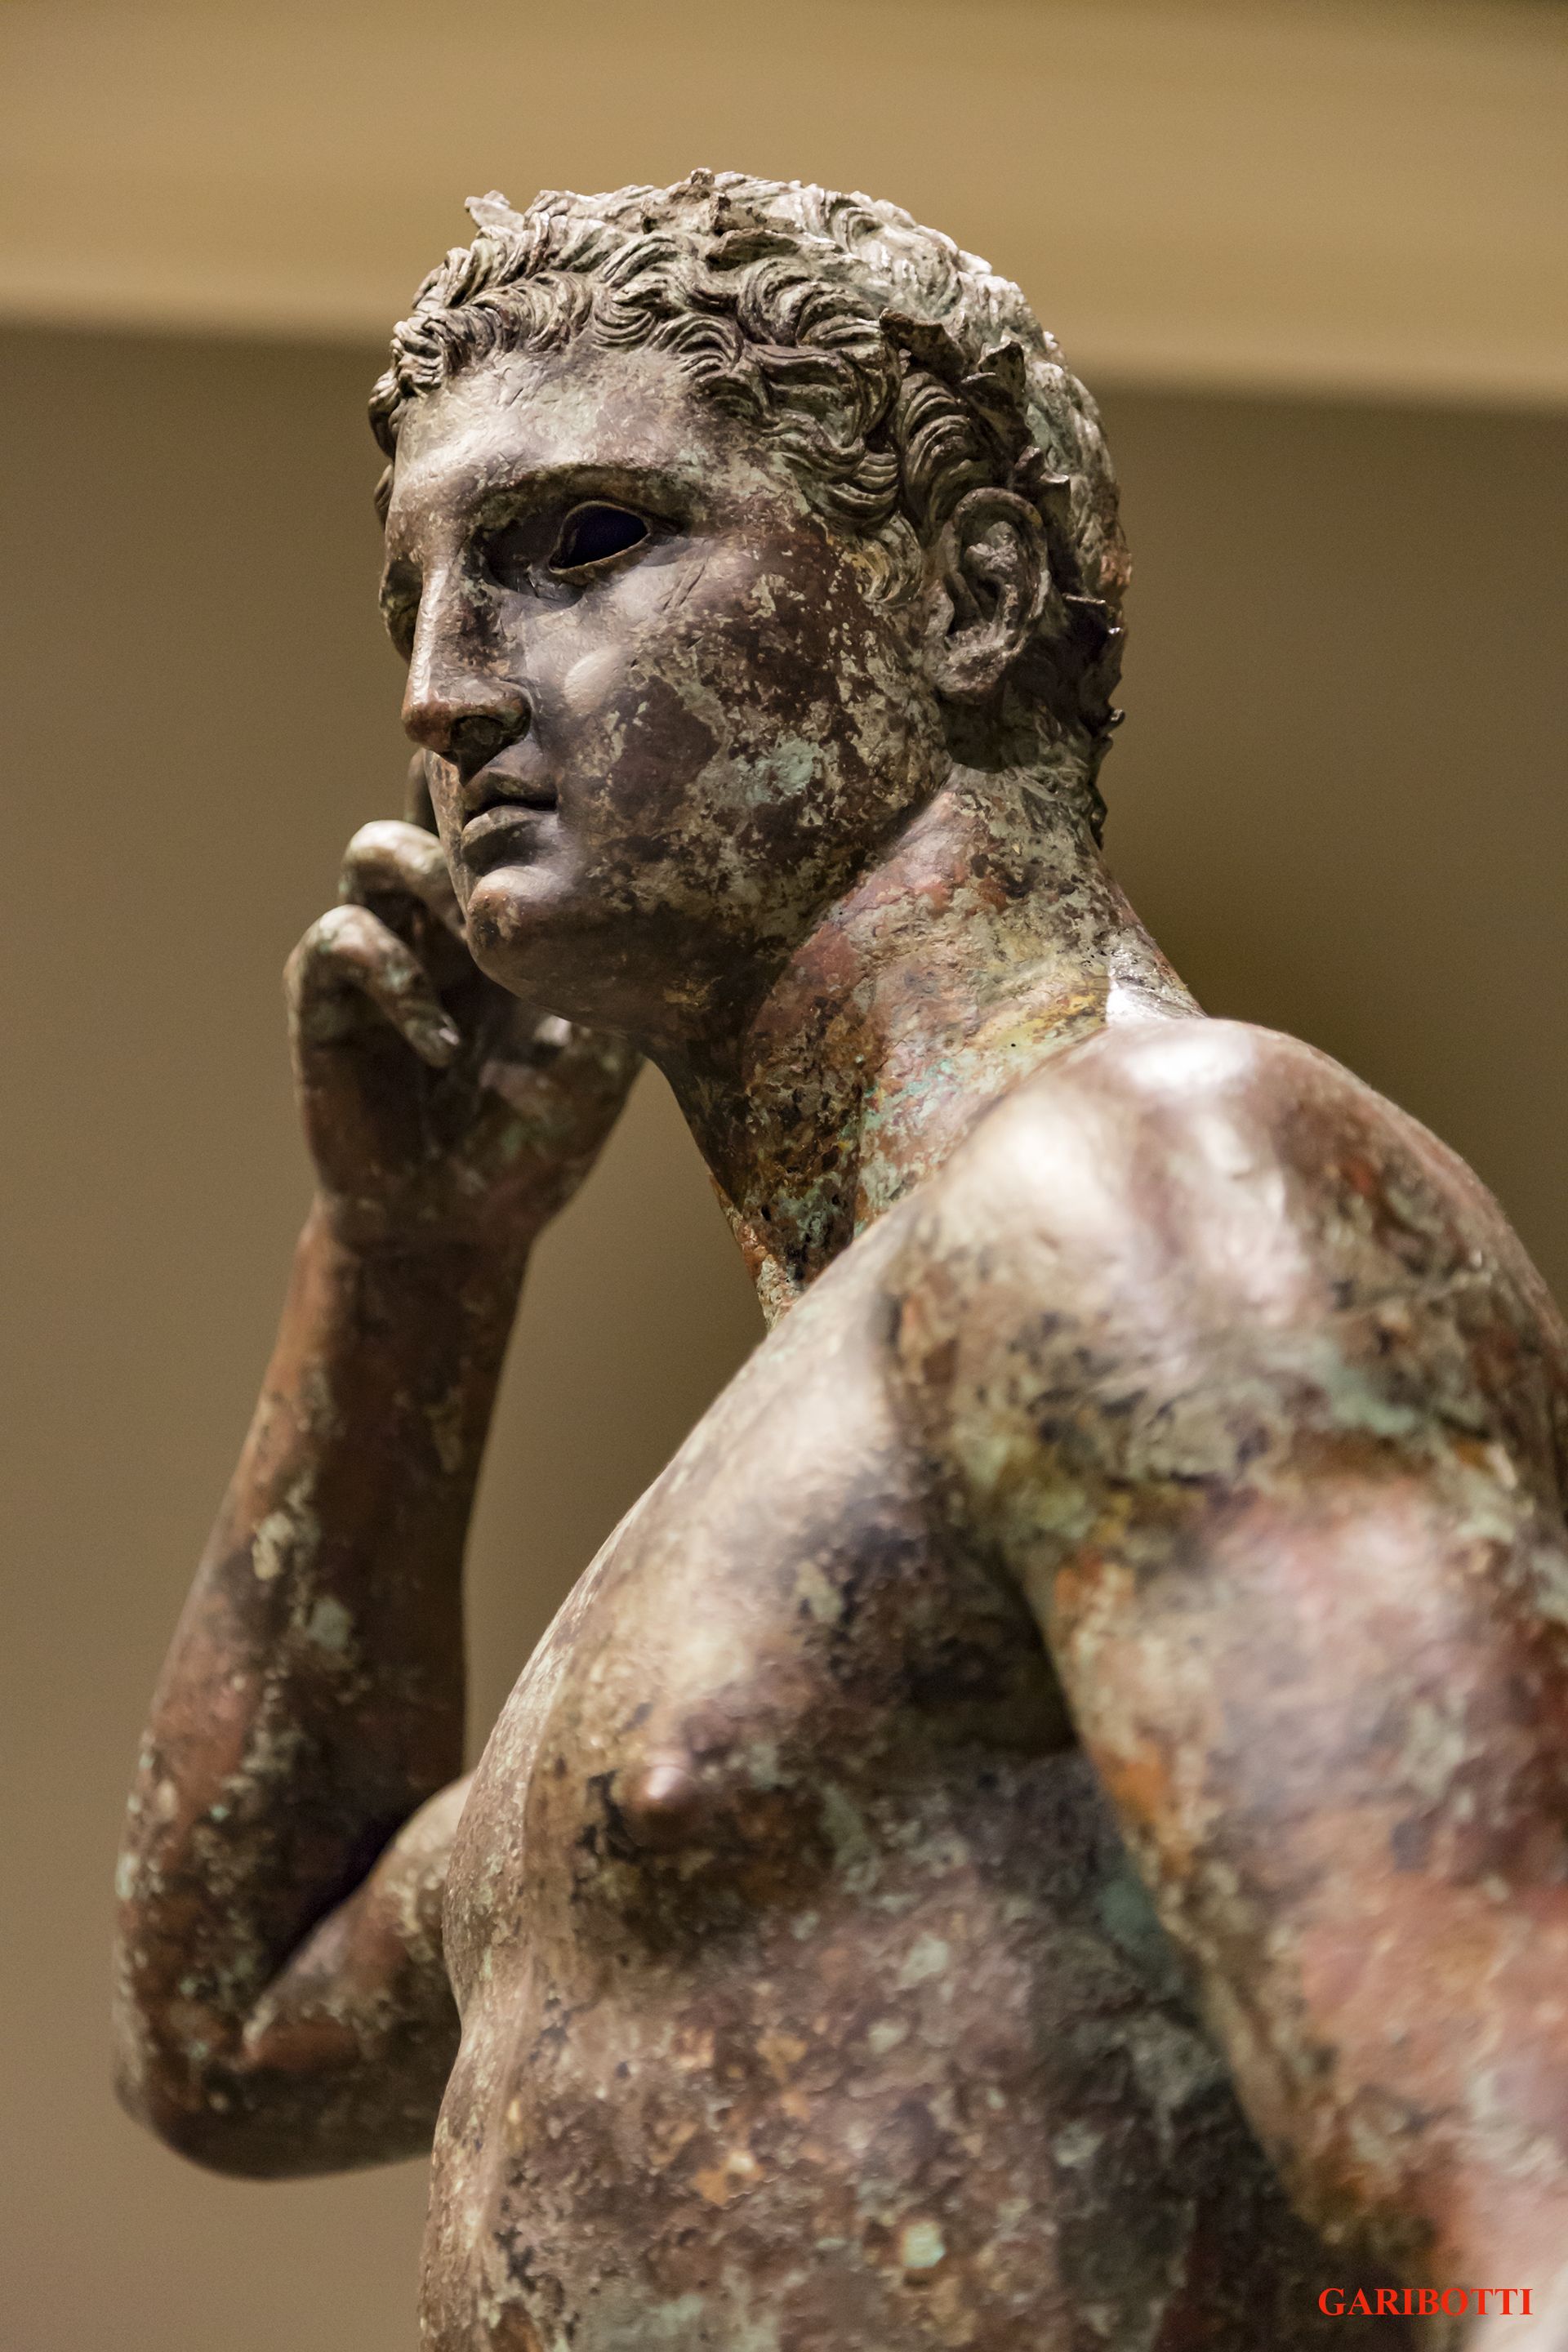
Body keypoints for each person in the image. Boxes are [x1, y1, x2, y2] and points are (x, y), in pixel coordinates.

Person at [114, 173, 1568, 2350]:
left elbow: (1500, 2175)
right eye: (413, 597)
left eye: (580, 541)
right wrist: (411, 1268)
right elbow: (232, 2030)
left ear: (966, 590)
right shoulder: (834, 1412)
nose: (441, 691)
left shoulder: (1156, 1179)